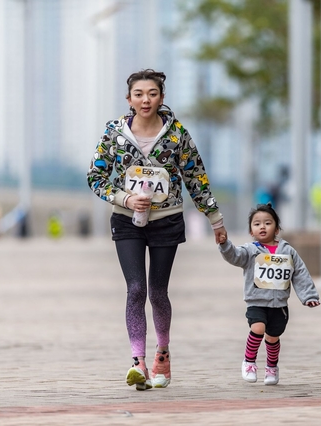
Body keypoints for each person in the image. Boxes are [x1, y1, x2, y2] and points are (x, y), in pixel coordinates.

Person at [87, 69, 227, 391]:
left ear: (161, 98)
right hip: (126, 220)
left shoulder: (177, 135)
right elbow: (95, 176)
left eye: (152, 93)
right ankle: (137, 362)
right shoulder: (114, 133)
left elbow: (196, 179)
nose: (145, 99)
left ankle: (162, 352)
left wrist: (215, 220)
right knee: (135, 289)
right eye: (139, 94)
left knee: (157, 292)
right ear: (129, 100)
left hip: (166, 219)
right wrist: (124, 197)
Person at [217, 203, 320, 385]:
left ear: (277, 228)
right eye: (257, 224)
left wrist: (309, 296)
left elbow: (300, 273)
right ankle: (249, 361)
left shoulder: (288, 251)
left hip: (279, 305)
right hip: (256, 302)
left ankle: (272, 367)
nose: (262, 226)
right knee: (258, 328)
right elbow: (234, 256)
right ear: (251, 231)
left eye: (267, 223)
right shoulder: (250, 251)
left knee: (273, 337)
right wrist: (225, 244)